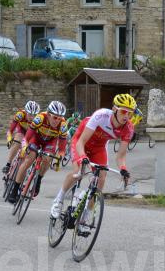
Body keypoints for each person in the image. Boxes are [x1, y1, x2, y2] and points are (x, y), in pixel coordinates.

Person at [49, 93, 137, 221]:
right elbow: (81, 142)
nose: (127, 116)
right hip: (81, 142)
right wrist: (83, 157)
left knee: (101, 179)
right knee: (78, 171)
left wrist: (123, 168)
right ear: (114, 109)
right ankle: (58, 200)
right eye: (124, 111)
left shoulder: (128, 128)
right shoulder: (101, 115)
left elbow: (121, 156)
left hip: (98, 148)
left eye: (131, 113)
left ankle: (85, 216)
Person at [6, 100, 68, 203]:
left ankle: (38, 179)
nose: (57, 120)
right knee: (28, 160)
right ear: (48, 114)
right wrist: (25, 146)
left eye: (60, 117)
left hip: (50, 142)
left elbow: (61, 149)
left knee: (48, 159)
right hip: (36, 138)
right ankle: (15, 189)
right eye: (55, 117)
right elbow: (26, 138)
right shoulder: (40, 118)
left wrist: (59, 158)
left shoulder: (62, 125)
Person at [3, 100, 40, 178]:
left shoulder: (39, 119)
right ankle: (8, 164)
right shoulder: (20, 115)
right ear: (26, 112)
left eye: (34, 115)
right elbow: (10, 131)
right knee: (17, 142)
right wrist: (9, 139)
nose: (31, 117)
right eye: (29, 114)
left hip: (31, 134)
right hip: (21, 130)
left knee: (30, 149)